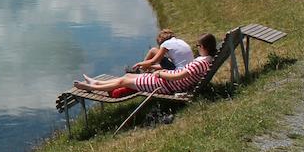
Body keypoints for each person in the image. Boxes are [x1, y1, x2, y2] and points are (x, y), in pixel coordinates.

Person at [75, 33, 217, 96]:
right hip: (168, 82)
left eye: (198, 45)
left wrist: (160, 73)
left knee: (124, 81)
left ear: (204, 47)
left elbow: (179, 75)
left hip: (166, 84)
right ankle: (97, 83)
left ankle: (91, 87)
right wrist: (160, 72)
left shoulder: (201, 62)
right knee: (128, 76)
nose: (197, 48)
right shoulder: (206, 61)